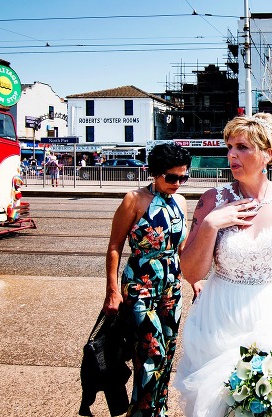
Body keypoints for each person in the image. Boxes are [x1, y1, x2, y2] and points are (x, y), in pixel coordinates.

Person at [175, 114, 272, 417]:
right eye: (230, 147)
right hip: (220, 318)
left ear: (268, 154)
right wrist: (210, 225)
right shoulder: (211, 200)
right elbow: (191, 272)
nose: (232, 154)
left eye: (243, 147)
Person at [104, 141, 189, 417]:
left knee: (168, 351)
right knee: (152, 352)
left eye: (183, 177)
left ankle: (158, 410)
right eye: (172, 177)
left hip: (171, 286)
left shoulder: (181, 202)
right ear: (156, 172)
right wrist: (112, 290)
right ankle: (141, 412)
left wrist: (194, 279)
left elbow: (180, 248)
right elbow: (115, 246)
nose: (177, 183)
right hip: (140, 284)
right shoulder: (134, 199)